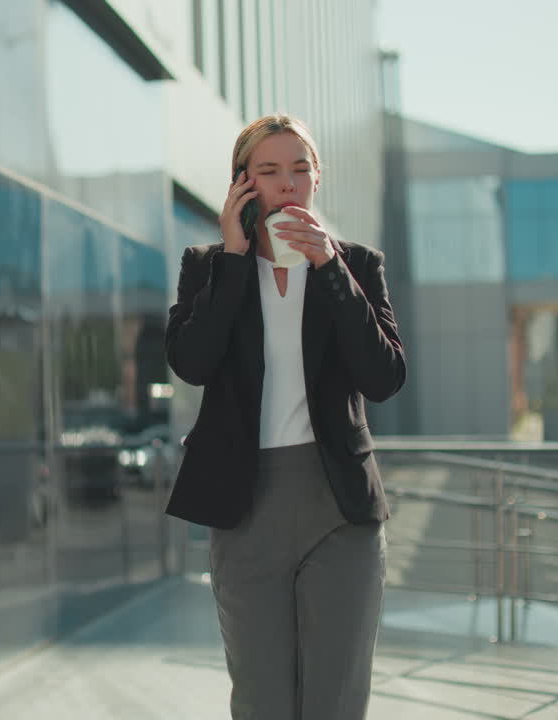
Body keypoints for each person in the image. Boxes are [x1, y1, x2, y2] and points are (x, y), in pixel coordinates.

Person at [164, 114, 406, 719]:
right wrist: (236, 258)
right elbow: (191, 364)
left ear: (316, 180)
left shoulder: (357, 265)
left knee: (335, 700)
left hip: (338, 507)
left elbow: (383, 378)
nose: (288, 183)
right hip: (243, 504)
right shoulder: (207, 265)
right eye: (270, 171)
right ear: (244, 184)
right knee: (262, 701)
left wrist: (330, 269)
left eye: (301, 169)